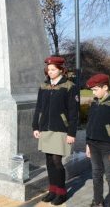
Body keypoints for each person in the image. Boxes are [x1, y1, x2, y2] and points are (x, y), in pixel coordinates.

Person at [32, 56, 79, 205]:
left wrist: (72, 132)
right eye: (48, 69)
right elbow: (39, 107)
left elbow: (73, 112)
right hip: (45, 128)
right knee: (48, 161)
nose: (50, 72)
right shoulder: (43, 86)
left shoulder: (70, 86)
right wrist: (35, 126)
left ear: (61, 70)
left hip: (61, 129)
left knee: (56, 161)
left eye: (53, 69)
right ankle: (52, 191)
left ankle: (61, 192)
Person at [85, 73, 110, 207]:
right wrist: (87, 144)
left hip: (107, 146)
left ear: (105, 87)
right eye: (92, 90)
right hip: (93, 144)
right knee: (96, 174)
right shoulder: (94, 102)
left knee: (109, 175)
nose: (93, 93)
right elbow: (89, 124)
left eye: (95, 89)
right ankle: (98, 201)